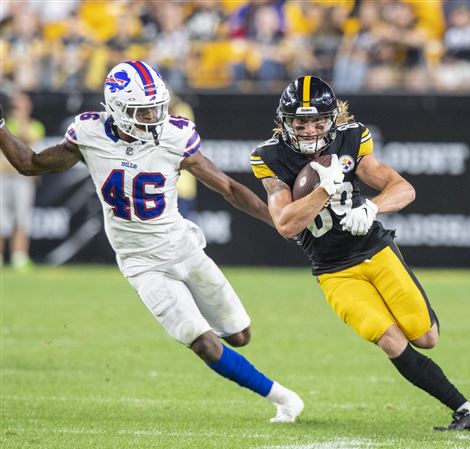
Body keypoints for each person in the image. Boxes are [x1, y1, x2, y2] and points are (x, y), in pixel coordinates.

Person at [0, 60, 303, 423]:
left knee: (239, 336)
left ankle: (261, 375)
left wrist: (277, 221)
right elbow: (30, 164)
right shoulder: (89, 134)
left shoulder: (175, 136)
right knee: (204, 342)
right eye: (143, 110)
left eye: (157, 107)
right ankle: (282, 398)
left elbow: (229, 188)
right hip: (140, 262)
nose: (153, 116)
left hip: (182, 247)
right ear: (116, 108)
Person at [250, 76, 470, 431]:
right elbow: (285, 224)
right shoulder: (269, 157)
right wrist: (323, 191)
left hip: (375, 249)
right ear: (286, 123)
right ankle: (467, 411)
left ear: (332, 120)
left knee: (426, 338)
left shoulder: (351, 138)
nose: (310, 130)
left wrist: (373, 208)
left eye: (318, 121)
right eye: (301, 123)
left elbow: (403, 188)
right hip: (334, 270)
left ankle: (462, 403)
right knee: (390, 339)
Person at [0, 92, 45, 270]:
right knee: (1, 220)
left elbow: (29, 142)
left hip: (23, 180)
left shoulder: (35, 125)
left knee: (22, 219)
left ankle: (19, 257)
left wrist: (21, 119)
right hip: (3, 177)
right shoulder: (5, 124)